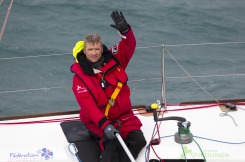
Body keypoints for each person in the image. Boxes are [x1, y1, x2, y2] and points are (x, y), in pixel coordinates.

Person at [71, 11, 146, 162]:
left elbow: (129, 45)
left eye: (97, 49)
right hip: (100, 122)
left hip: (125, 118)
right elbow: (88, 106)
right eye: (90, 50)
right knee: (112, 146)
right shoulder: (79, 78)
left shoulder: (115, 60)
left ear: (102, 48)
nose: (94, 53)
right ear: (84, 52)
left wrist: (125, 31)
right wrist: (105, 125)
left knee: (139, 141)